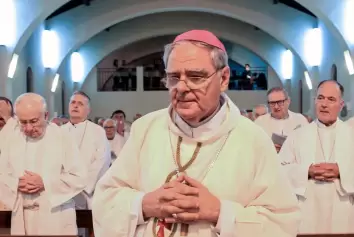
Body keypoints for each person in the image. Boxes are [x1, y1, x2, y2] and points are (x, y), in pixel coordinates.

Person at [92, 29, 300, 237]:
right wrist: (144, 204)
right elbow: (105, 200)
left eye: (195, 76)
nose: (181, 87)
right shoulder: (145, 129)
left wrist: (220, 213)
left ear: (224, 78)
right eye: (173, 77)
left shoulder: (253, 140)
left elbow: (282, 223)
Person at [279, 80, 354, 234]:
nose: (324, 104)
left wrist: (341, 171)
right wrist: (306, 171)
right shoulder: (298, 135)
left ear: (341, 105)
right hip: (308, 212)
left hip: (343, 211)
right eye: (320, 98)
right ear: (315, 101)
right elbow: (278, 170)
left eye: (331, 99)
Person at [0, 93, 86, 235]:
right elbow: (2, 174)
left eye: (33, 121)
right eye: (23, 122)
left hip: (56, 217)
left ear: (46, 115)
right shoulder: (11, 139)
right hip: (22, 216)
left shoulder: (62, 137)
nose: (28, 128)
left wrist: (45, 183)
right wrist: (15, 183)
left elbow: (79, 177)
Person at [62, 91, 111, 210]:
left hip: (87, 191)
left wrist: (83, 185)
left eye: (80, 103)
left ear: (88, 110)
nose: (75, 105)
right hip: (63, 191)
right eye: (73, 102)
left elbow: (102, 161)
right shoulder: (58, 131)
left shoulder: (98, 131)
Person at [254, 87, 308, 152]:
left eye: (279, 102)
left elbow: (308, 143)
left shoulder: (300, 120)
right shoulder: (260, 122)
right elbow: (252, 146)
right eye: (272, 103)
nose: (276, 107)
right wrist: (269, 148)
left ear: (288, 101)